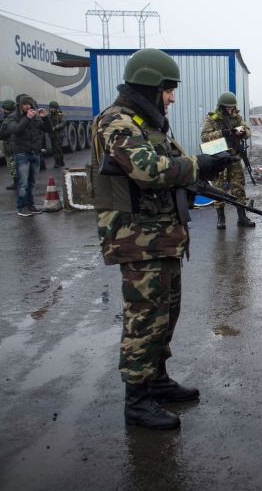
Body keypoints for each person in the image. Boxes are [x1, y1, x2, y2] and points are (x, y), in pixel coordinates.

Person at [90, 48, 234, 430]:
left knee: (166, 313)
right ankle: (136, 400)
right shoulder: (116, 122)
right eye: (168, 90)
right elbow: (148, 170)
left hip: (162, 235)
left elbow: (173, 167)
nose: (171, 97)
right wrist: (197, 165)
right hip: (136, 238)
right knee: (144, 317)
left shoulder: (148, 123)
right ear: (149, 86)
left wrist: (201, 171)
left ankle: (155, 378)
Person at [200, 92, 254, 229]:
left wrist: (242, 133)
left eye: (232, 107)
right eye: (227, 107)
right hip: (219, 158)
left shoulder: (237, 118)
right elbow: (204, 137)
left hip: (234, 157)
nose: (230, 110)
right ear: (221, 106)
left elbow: (248, 131)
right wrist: (223, 133)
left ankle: (242, 218)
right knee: (219, 188)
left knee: (238, 187)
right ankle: (221, 219)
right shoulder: (212, 119)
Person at [1, 95, 52, 216]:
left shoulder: (36, 117)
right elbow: (16, 130)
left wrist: (45, 118)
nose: (27, 106)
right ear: (19, 105)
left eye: (29, 104)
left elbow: (49, 130)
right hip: (21, 153)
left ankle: (30, 205)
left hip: (35, 153)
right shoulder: (13, 116)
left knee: (32, 182)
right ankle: (22, 207)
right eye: (24, 104)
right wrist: (28, 118)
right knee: (22, 182)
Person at [0, 99, 17, 190]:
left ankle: (16, 182)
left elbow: (3, 133)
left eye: (3, 108)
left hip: (9, 144)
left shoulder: (8, 119)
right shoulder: (15, 117)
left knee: (12, 164)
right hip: (14, 144)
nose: (2, 110)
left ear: (6, 108)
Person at [47, 101, 67, 168]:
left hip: (59, 134)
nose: (51, 109)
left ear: (56, 108)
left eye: (53, 108)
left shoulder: (60, 114)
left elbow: (63, 123)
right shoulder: (49, 115)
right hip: (52, 135)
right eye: (51, 108)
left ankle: (58, 162)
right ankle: (59, 162)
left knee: (58, 148)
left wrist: (56, 127)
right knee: (54, 149)